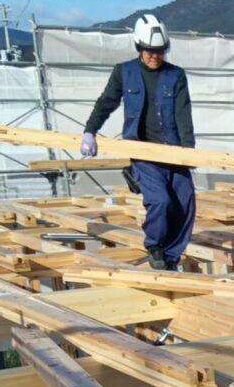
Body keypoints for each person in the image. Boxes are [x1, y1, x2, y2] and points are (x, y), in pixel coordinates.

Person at [81, 14, 196, 271]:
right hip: (143, 152)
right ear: (139, 47)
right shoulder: (124, 72)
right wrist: (90, 131)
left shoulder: (176, 75)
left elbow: (183, 114)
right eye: (150, 51)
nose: (156, 56)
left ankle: (171, 257)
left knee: (185, 203)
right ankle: (154, 245)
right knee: (160, 201)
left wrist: (189, 151)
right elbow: (106, 103)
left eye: (160, 51)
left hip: (173, 151)